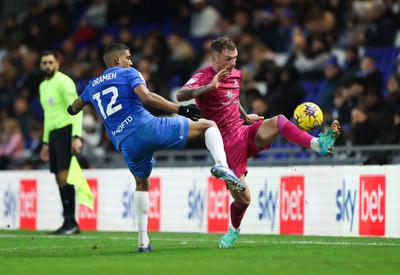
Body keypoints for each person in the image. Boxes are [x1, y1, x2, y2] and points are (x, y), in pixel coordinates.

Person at [67, 43, 244, 252]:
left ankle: (143, 240)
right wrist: (181, 110)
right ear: (117, 60)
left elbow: (74, 108)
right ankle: (221, 165)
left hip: (125, 144)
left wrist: (71, 107)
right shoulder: (128, 73)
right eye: (128, 57)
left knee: (141, 183)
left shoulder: (92, 85)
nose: (131, 61)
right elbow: (147, 97)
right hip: (147, 128)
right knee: (208, 126)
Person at [177, 37, 340, 249]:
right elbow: (182, 95)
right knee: (244, 200)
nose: (233, 63)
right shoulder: (203, 76)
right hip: (225, 143)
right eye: (228, 58)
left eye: (235, 58)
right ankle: (233, 230)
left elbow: (233, 99)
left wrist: (245, 116)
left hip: (243, 131)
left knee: (279, 121)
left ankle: (318, 144)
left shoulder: (237, 74)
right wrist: (208, 87)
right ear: (214, 58)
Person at [39, 50, 83, 235]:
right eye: (44, 63)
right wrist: (45, 141)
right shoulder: (43, 86)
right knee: (58, 177)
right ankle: (67, 221)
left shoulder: (64, 81)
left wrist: (76, 135)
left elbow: (77, 108)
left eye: (50, 62)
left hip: (66, 129)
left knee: (64, 176)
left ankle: (71, 222)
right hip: (54, 134)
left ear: (57, 63)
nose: (47, 65)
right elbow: (47, 116)